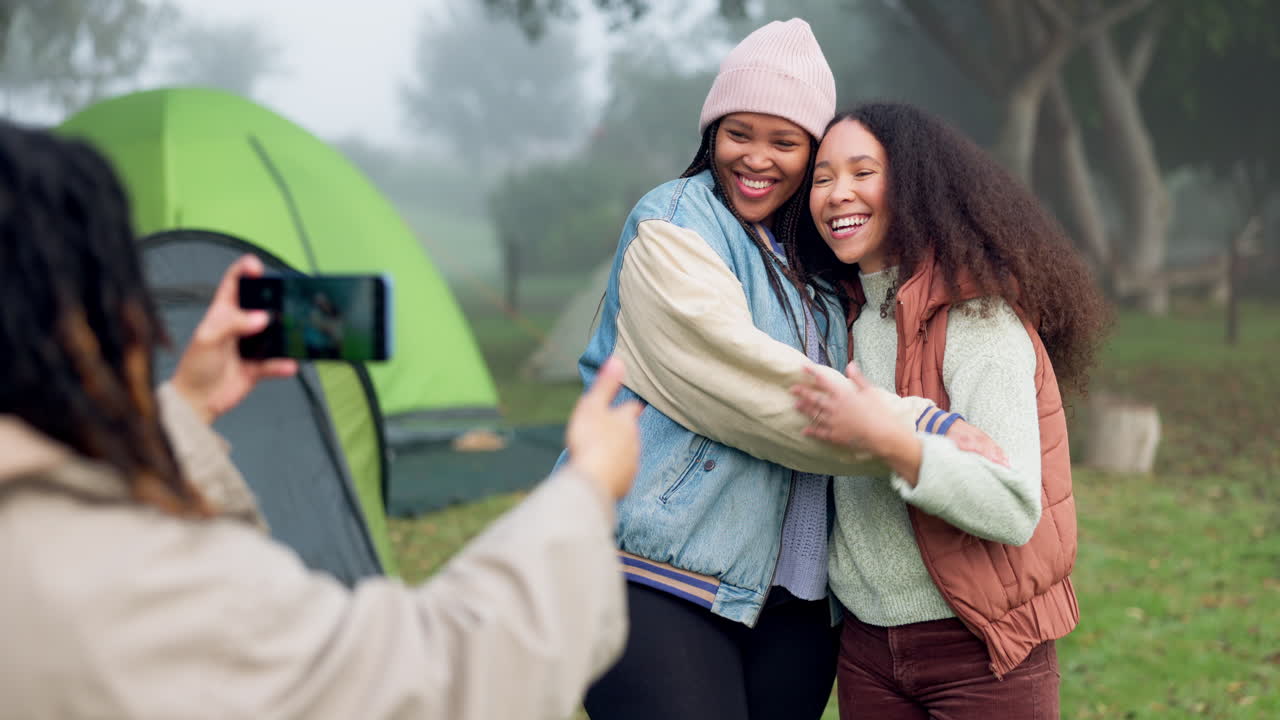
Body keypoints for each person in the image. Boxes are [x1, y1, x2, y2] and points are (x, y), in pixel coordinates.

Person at [0, 120, 641, 720]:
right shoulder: (145, 587)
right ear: (88, 326)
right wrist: (585, 491)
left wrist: (184, 412)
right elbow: (431, 679)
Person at [559, 20, 1005, 720]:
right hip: (653, 572)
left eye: (786, 141)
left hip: (794, 600)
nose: (757, 158)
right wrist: (921, 429)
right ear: (711, 134)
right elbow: (747, 386)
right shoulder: (673, 227)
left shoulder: (818, 262)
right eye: (740, 133)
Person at [792, 103, 1110, 719]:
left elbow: (1012, 507)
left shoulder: (977, 319)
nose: (837, 194)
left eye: (862, 172)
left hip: (981, 653)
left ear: (914, 184)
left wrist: (894, 440)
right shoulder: (834, 317)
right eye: (823, 178)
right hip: (865, 650)